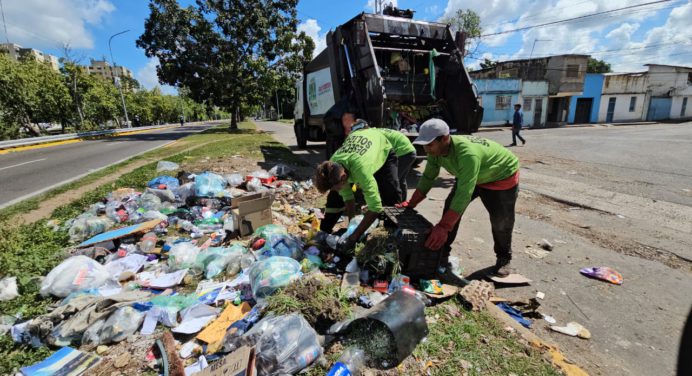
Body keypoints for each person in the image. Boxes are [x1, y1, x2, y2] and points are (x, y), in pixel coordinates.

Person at [401, 118, 520, 277]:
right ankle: (441, 254)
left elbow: (464, 193)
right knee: (450, 211)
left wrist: (443, 227)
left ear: (444, 138)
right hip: (470, 176)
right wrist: (411, 203)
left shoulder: (467, 154)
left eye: (429, 144)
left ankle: (504, 258)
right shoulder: (436, 151)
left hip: (500, 178)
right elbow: (428, 177)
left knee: (501, 222)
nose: (426, 149)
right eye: (424, 144)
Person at [314, 127, 401, 252]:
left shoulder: (360, 169)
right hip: (361, 142)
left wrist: (354, 237)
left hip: (381, 145)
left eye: (337, 187)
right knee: (336, 198)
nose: (337, 190)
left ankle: (392, 238)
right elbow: (348, 198)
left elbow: (375, 207)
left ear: (343, 178)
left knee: (390, 193)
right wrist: (352, 226)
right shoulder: (333, 166)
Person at [343, 120, 417, 201]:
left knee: (390, 181)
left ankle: (394, 204)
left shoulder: (370, 135)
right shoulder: (374, 131)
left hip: (402, 151)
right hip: (409, 150)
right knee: (400, 179)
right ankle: (402, 203)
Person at [320, 98, 359, 233]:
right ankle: (328, 227)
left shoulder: (336, 114)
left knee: (347, 192)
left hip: (341, 168)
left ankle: (327, 227)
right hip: (340, 168)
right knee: (344, 193)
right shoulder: (347, 112)